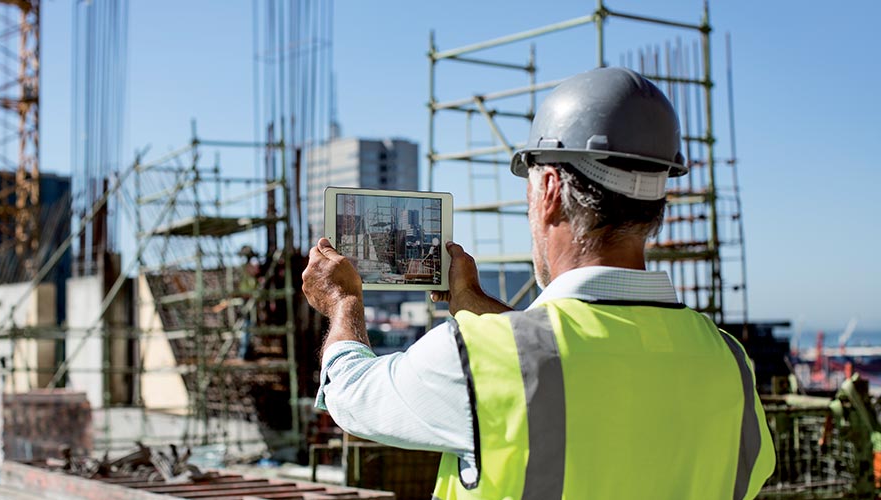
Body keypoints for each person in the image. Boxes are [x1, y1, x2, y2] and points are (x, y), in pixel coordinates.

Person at [301, 67, 775, 499]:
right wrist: (474, 304)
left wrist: (343, 302)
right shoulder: (729, 364)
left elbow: (353, 398)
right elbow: (578, 367)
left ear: (548, 192)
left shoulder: (480, 358)